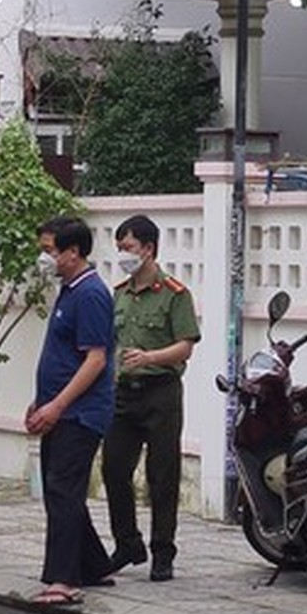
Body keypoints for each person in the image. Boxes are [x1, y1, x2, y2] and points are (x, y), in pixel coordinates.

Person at [102, 214, 201, 582]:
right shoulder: (119, 295)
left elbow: (186, 346)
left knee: (162, 475)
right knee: (113, 469)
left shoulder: (175, 293)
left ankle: (163, 551)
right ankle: (128, 542)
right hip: (124, 394)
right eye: (120, 249)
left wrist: (150, 357)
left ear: (148, 248)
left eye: (128, 248)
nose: (123, 255)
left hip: (161, 391)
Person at [27, 216, 115, 606]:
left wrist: (58, 404)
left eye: (49, 250)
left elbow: (95, 359)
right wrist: (41, 400)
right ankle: (93, 563)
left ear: (73, 252)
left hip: (80, 414)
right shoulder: (69, 290)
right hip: (59, 408)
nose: (44, 258)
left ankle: (63, 579)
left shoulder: (91, 294)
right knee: (61, 489)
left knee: (63, 490)